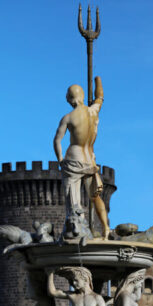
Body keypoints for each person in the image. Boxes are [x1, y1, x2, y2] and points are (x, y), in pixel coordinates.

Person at [53, 77, 110, 239]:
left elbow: (57, 140)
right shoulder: (93, 112)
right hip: (90, 161)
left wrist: (60, 159)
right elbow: (100, 97)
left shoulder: (68, 118)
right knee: (95, 195)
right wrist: (98, 80)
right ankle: (106, 228)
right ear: (83, 96)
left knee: (73, 199)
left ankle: (76, 229)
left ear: (69, 98)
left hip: (73, 160)